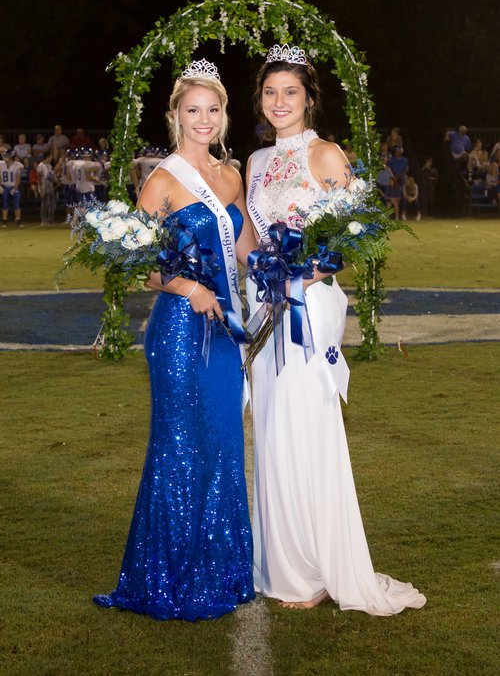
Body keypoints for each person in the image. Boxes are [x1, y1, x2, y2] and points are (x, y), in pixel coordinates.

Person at [245, 43, 426, 615]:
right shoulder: (253, 162)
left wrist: (308, 272)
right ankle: (282, 563)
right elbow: (250, 237)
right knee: (271, 429)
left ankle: (318, 567)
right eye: (271, 92)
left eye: (290, 92)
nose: (280, 102)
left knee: (306, 426)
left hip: (306, 307)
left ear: (309, 97)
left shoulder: (326, 155)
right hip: (263, 305)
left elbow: (356, 231)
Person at [94, 59, 257, 621]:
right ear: (175, 116)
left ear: (224, 115)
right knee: (181, 449)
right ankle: (168, 576)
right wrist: (189, 286)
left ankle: (223, 569)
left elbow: (244, 247)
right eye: (193, 110)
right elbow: (139, 265)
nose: (204, 119)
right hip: (181, 334)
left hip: (224, 336)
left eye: (213, 109)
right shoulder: (161, 181)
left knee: (223, 447)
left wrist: (295, 262)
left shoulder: (230, 175)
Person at [1, 150, 24, 228]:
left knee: (16, 203)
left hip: (14, 186)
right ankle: (4, 221)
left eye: (7, 155)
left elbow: (18, 178)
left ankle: (18, 220)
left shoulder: (18, 165)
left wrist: (14, 188)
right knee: (4, 204)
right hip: (5, 186)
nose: (5, 157)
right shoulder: (1, 164)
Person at [37, 151, 58, 225]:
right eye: (50, 156)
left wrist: (56, 181)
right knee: (44, 204)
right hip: (44, 186)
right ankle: (43, 220)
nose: (51, 158)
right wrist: (40, 187)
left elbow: (51, 175)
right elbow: (39, 177)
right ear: (47, 157)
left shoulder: (49, 165)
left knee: (52, 204)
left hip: (50, 186)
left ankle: (50, 220)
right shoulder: (41, 165)